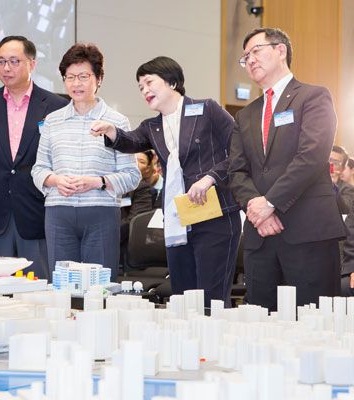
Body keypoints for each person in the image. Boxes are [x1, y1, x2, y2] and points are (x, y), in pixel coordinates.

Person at [91, 56, 240, 307]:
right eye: (140, 87)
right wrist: (111, 130)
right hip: (178, 220)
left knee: (211, 299)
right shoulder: (152, 126)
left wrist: (209, 178)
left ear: (172, 82)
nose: (144, 90)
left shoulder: (207, 109)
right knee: (183, 298)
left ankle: (213, 346)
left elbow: (239, 150)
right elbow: (131, 140)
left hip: (214, 215)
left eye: (149, 82)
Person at [228, 28, 345, 310]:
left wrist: (270, 202)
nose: (250, 60)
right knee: (263, 323)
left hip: (307, 232)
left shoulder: (313, 97)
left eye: (256, 51)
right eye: (245, 57)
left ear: (280, 50)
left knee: (314, 324)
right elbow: (236, 171)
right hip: (261, 237)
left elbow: (312, 155)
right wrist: (257, 210)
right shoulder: (245, 115)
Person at [31, 43, 140, 278]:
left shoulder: (116, 121)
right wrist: (55, 179)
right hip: (59, 213)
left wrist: (97, 182)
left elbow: (132, 175)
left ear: (98, 78)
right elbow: (38, 169)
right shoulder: (52, 120)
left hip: (101, 213)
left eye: (83, 76)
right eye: (70, 77)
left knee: (99, 286)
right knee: (62, 285)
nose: (76, 83)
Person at [0, 35, 68, 280]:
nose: (6, 68)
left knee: (37, 284)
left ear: (32, 64)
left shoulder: (56, 105)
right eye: (1, 62)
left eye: (14, 61)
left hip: (37, 209)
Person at [330, 145, 354, 214]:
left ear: (342, 169)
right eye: (328, 160)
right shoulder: (313, 180)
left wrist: (332, 186)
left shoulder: (347, 189)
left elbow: (345, 209)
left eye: (335, 163)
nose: (330, 165)